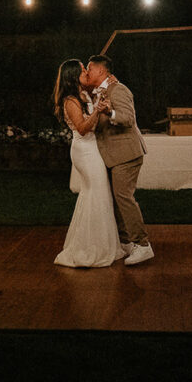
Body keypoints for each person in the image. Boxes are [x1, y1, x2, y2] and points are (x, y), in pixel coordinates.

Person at [52, 59, 126, 267]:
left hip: (93, 149)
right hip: (84, 151)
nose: (86, 71)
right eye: (83, 69)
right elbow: (83, 128)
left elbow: (100, 95)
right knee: (95, 193)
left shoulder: (83, 95)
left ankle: (103, 245)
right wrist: (97, 111)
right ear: (74, 75)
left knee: (99, 193)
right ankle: (87, 248)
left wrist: (111, 84)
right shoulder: (70, 101)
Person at [83, 54, 153, 265]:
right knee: (116, 198)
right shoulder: (99, 91)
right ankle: (127, 243)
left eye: (90, 69)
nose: (87, 73)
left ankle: (143, 245)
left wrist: (110, 111)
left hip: (127, 154)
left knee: (123, 197)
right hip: (114, 156)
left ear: (101, 71)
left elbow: (128, 118)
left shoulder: (118, 89)